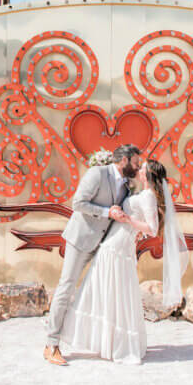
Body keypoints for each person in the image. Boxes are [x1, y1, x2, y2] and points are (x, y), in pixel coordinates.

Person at [57, 159, 189, 365]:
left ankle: (115, 344)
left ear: (148, 175)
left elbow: (152, 229)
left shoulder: (148, 196)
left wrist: (128, 221)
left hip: (117, 247)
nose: (139, 169)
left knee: (109, 291)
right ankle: (110, 343)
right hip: (115, 244)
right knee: (110, 292)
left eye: (143, 168)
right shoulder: (141, 193)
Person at [43, 144, 141, 365]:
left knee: (97, 291)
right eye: (135, 163)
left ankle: (101, 341)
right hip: (81, 239)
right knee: (66, 287)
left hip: (103, 245)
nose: (138, 167)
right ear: (123, 160)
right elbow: (78, 203)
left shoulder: (127, 184)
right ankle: (51, 344)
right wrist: (108, 212)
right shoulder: (97, 173)